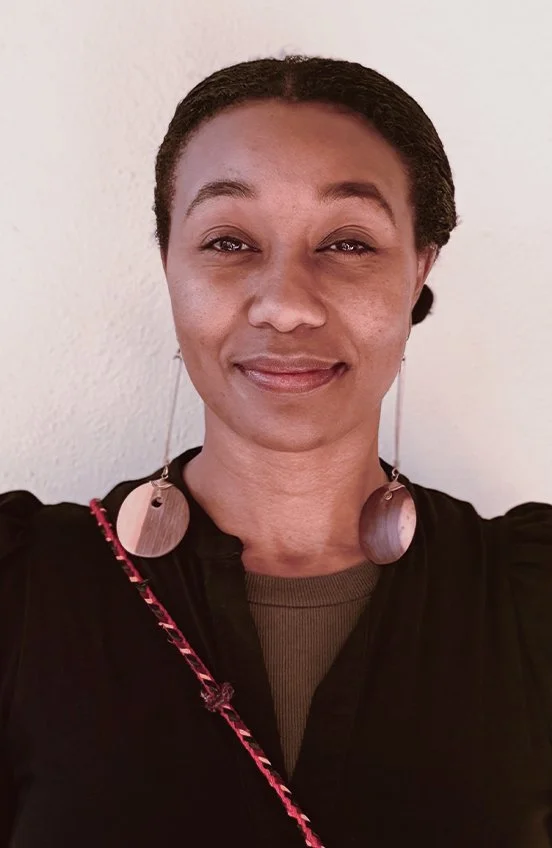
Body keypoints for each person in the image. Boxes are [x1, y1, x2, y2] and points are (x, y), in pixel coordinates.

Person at [1, 54, 551, 848]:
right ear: (169, 265)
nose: (287, 304)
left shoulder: (532, 602)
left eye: (350, 243)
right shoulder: (22, 591)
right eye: (228, 241)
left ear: (420, 269)